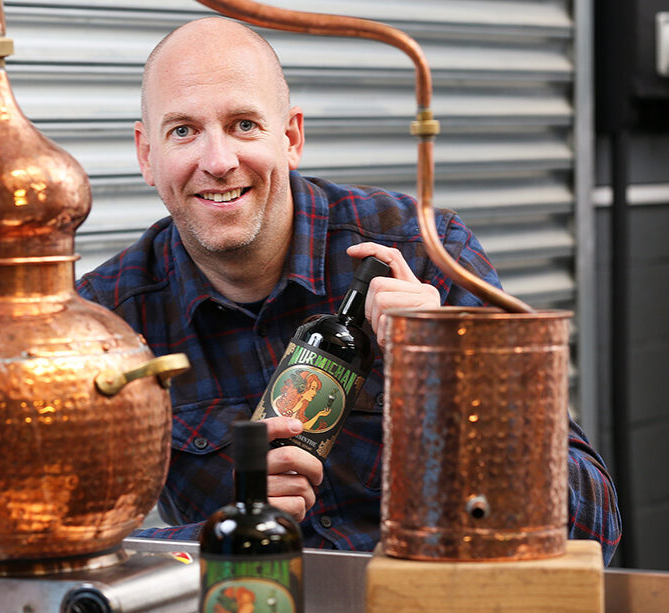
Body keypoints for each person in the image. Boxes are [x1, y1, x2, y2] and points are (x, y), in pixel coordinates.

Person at [76, 17, 622, 564]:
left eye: (244, 125)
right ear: (146, 155)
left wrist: (449, 374)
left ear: (290, 137)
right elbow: (57, 543)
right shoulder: (109, 318)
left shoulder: (424, 251)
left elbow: (594, 526)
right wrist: (224, 533)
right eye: (183, 131)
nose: (218, 162)